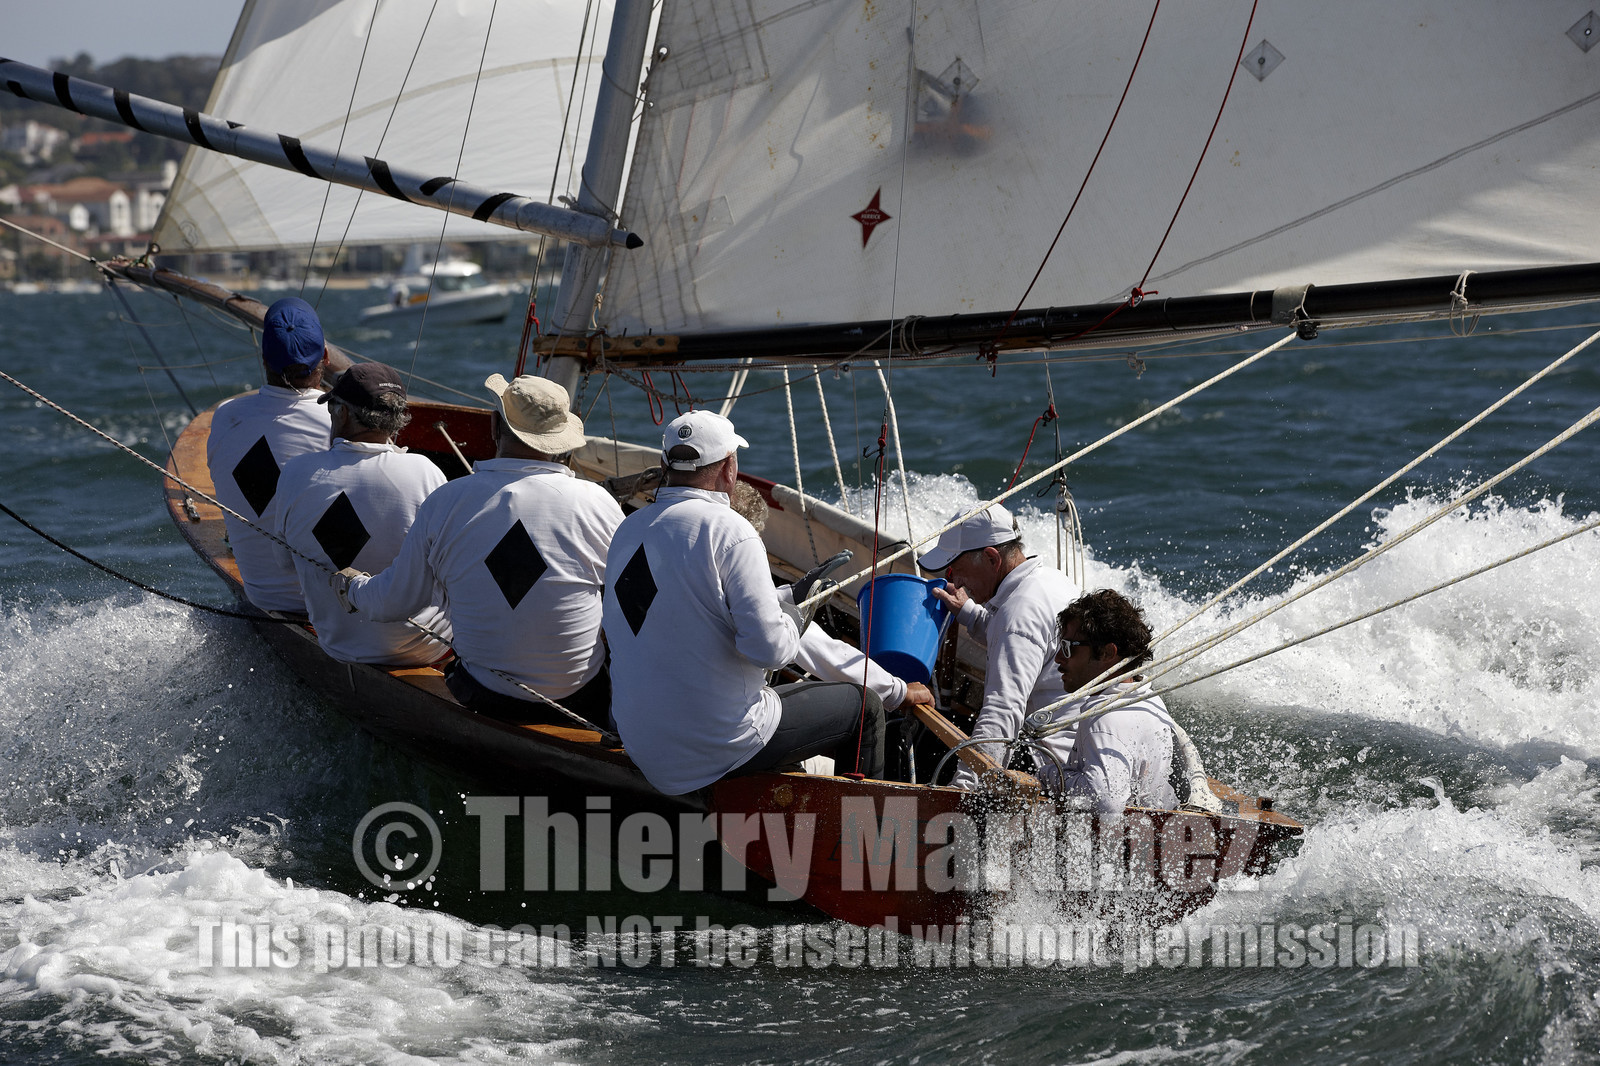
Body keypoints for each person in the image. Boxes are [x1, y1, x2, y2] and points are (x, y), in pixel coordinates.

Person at [602, 410, 886, 796]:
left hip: (644, 743)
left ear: (666, 466)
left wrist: (784, 597)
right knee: (865, 707)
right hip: (715, 747)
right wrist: (795, 615)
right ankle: (864, 830)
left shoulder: (628, 528)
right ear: (729, 467)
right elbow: (771, 651)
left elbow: (686, 606)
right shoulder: (731, 530)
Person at [338, 374, 622, 727]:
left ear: (494, 426)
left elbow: (395, 602)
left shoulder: (446, 501)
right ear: (561, 440)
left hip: (483, 695)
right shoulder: (598, 503)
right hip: (580, 700)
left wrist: (353, 588)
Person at [273, 362, 451, 665]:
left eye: (332, 409)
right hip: (424, 648)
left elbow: (285, 563)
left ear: (342, 413)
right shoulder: (426, 472)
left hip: (339, 645)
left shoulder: (297, 472)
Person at [728, 482, 934, 713]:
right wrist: (898, 692)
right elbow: (818, 649)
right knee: (866, 711)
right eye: (758, 537)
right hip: (732, 719)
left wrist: (791, 594)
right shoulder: (741, 568)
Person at [921, 503, 1080, 788]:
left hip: (1050, 762)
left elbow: (1003, 711)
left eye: (956, 569)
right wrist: (970, 613)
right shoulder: (1049, 580)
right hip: (1075, 749)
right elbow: (1018, 639)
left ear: (991, 558)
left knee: (928, 747)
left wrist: (964, 790)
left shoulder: (1019, 613)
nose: (953, 579)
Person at [206, 297, 332, 612]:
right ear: (326, 357)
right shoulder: (342, 422)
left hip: (266, 598)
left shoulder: (225, 417)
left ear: (264, 360)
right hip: (336, 608)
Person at [1049, 589, 1177, 813]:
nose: (1059, 658)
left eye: (1068, 648)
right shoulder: (1148, 698)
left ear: (1108, 653)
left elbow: (1107, 802)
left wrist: (1051, 775)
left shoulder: (1105, 718)